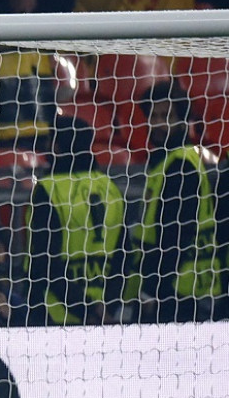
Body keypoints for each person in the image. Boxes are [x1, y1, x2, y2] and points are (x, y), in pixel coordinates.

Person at [132, 80, 226, 323]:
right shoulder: (178, 160)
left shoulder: (179, 165)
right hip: (200, 284)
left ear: (182, 119)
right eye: (154, 115)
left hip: (179, 290)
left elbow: (173, 235)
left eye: (167, 115)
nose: (159, 123)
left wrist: (151, 289)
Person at [25, 115, 128, 326]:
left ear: (56, 145)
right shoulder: (110, 188)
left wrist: (84, 309)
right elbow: (124, 256)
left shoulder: (49, 189)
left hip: (54, 314)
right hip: (104, 313)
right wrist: (107, 306)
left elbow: (45, 262)